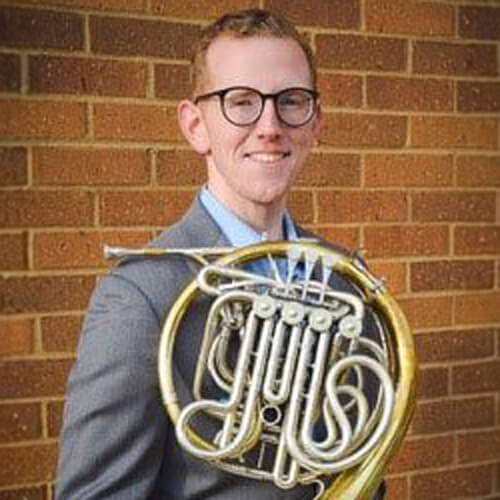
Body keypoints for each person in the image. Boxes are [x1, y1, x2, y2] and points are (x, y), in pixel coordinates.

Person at [56, 8, 385, 499]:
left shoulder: (347, 280)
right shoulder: (141, 297)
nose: (270, 125)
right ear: (195, 126)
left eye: (291, 101)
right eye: (241, 102)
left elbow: (363, 464)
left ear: (316, 122)